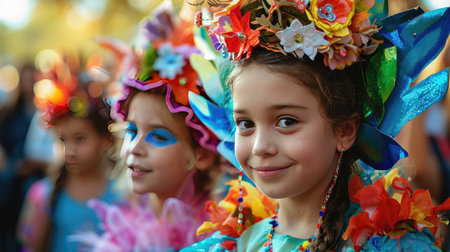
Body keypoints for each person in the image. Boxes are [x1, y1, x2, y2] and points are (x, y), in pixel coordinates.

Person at [182, 0, 450, 251]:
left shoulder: (394, 246)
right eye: (245, 123)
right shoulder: (235, 244)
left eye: (286, 121)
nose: (260, 147)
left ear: (344, 130)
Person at [69, 2, 231, 251]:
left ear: (202, 154)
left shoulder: (225, 236)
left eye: (158, 136)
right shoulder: (122, 231)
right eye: (132, 131)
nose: (135, 148)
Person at [17, 53, 119, 252]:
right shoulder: (42, 195)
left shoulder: (123, 195)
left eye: (80, 139)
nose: (70, 151)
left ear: (106, 141)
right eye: (63, 140)